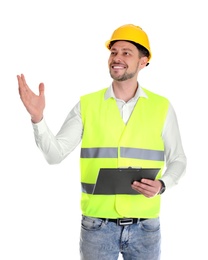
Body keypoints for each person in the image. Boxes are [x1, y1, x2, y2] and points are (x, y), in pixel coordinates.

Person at [17, 24, 187, 260]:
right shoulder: (87, 105)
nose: (117, 58)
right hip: (97, 228)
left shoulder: (162, 107)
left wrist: (163, 184)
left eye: (126, 52)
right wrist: (38, 118)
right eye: (114, 52)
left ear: (143, 61)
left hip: (146, 228)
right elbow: (54, 155)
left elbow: (178, 159)